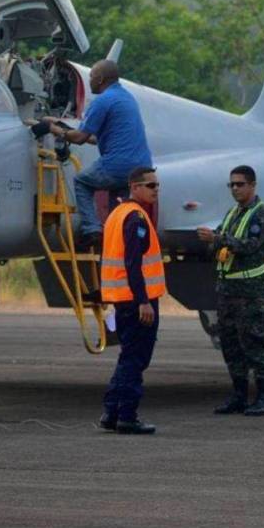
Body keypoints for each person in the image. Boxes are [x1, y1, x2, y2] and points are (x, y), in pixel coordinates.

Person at [32, 60, 153, 249]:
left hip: (118, 164)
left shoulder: (103, 101)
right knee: (118, 211)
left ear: (101, 79)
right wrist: (58, 122)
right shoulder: (126, 98)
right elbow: (95, 138)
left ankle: (92, 229)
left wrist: (51, 128)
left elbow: (79, 137)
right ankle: (117, 240)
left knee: (82, 182)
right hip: (139, 170)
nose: (90, 81)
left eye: (92, 77)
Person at [197, 166, 264, 417]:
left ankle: (263, 397)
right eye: (231, 185)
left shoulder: (262, 215)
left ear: (252, 185)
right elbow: (223, 240)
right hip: (227, 291)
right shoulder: (233, 213)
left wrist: (217, 239)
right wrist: (214, 242)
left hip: (249, 293)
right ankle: (240, 395)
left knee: (254, 344)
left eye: (240, 184)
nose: (235, 189)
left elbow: (250, 246)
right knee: (231, 345)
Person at [99, 166, 165, 435]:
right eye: (150, 186)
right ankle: (127, 415)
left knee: (128, 356)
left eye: (157, 185)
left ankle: (112, 412)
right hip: (137, 301)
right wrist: (144, 301)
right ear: (135, 187)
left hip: (122, 299)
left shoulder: (117, 213)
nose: (156, 190)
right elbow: (133, 263)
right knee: (136, 359)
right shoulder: (135, 218)